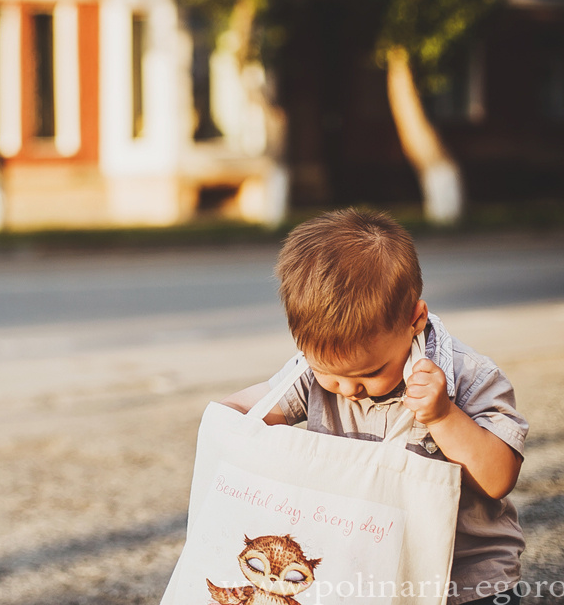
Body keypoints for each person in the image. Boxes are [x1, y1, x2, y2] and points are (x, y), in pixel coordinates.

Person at [221, 209, 527, 605]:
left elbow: (498, 478)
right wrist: (224, 422)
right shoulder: (310, 374)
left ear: (415, 320)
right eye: (328, 372)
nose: (349, 389)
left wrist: (443, 417)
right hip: (366, 575)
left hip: (466, 580)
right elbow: (248, 409)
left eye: (370, 372)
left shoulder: (467, 374)